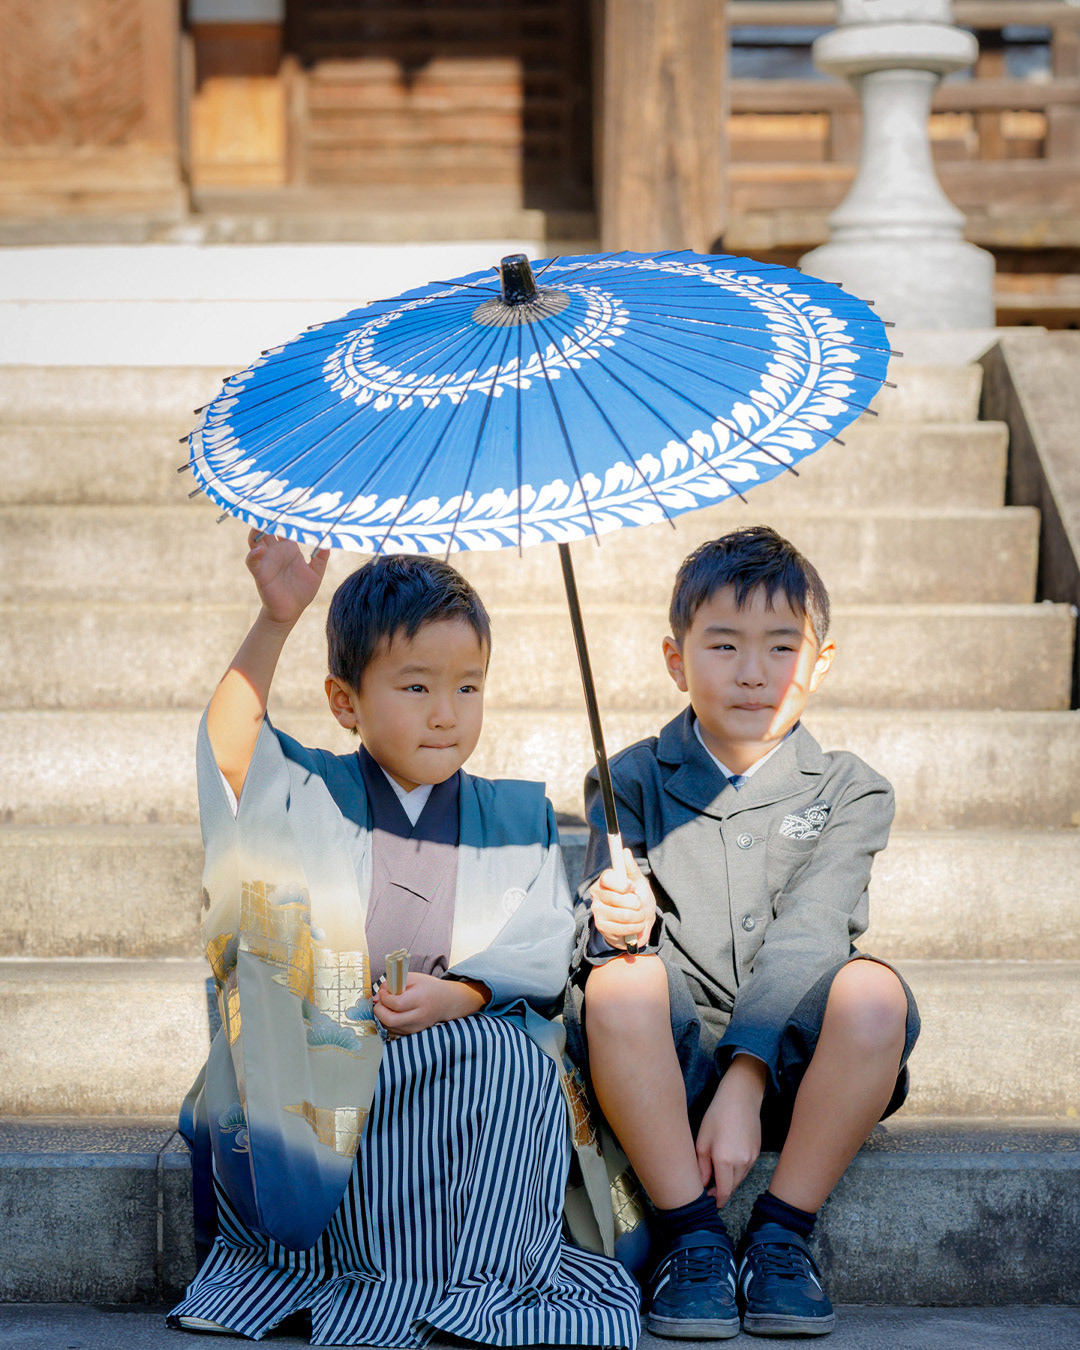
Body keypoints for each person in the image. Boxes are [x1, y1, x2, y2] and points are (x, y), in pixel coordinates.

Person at [169, 530, 640, 1348]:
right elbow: (231, 758)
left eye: (468, 686)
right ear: (345, 701)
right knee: (324, 1073)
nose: (446, 713)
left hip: (463, 1059)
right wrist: (276, 621)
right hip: (332, 1050)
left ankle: (478, 1282)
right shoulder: (312, 787)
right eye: (416, 686)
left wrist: (462, 993)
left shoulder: (515, 814)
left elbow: (541, 943)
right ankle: (354, 1273)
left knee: (513, 1064)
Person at [568, 525, 920, 1340]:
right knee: (618, 980)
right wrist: (616, 921)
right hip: (664, 1071)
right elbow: (595, 919)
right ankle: (689, 1234)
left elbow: (814, 929)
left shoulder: (850, 789)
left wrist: (747, 1079)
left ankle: (781, 1235)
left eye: (782, 647)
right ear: (676, 659)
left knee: (873, 992)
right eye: (724, 645)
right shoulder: (628, 780)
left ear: (819, 663)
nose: (755, 672)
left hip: (800, 1067)